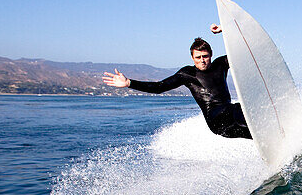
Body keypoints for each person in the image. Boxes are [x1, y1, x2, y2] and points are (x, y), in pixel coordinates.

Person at [103, 26, 252, 139]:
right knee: (239, 108)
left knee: (251, 132)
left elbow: (241, 50)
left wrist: (225, 29)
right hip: (216, 120)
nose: (202, 60)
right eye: (198, 57)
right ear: (192, 58)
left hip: (231, 116)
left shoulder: (221, 64)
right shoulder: (187, 74)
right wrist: (129, 82)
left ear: (211, 55)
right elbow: (159, 87)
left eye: (205, 56)